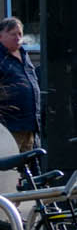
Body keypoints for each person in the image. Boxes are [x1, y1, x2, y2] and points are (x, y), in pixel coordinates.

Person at [0, 16, 39, 154]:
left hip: (30, 126)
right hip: (9, 128)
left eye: (20, 34)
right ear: (1, 36)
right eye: (13, 34)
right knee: (8, 170)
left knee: (27, 170)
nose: (17, 38)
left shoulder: (24, 54)